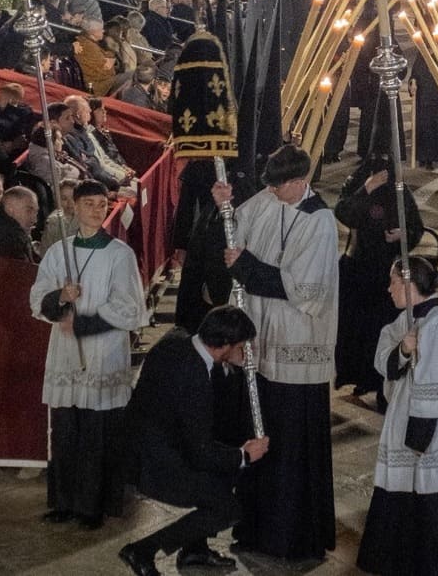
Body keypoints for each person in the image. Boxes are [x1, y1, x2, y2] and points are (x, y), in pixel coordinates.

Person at [213, 144, 338, 560]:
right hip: (262, 342)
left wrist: (246, 268)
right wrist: (224, 205)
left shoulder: (320, 221)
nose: (273, 193)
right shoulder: (269, 197)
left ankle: (292, 534)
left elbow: (308, 290)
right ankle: (256, 525)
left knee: (290, 447)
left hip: (296, 344)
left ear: (300, 182)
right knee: (260, 436)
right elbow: (236, 229)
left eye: (281, 187)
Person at [356, 256, 438, 575]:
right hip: (414, 433)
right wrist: (403, 349)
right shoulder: (412, 318)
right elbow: (383, 362)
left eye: (393, 282)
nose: (389, 289)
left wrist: (418, 442)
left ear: (409, 284)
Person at [118, 306, 270, 576]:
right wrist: (244, 455)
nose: (246, 352)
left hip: (143, 449)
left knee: (224, 473)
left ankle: (195, 550)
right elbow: (200, 452)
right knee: (229, 508)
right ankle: (143, 550)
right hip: (155, 467)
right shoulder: (195, 377)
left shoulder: (176, 342)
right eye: (242, 346)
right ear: (224, 345)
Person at [30, 179, 146, 530]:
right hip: (65, 352)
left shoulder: (119, 254)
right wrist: (61, 298)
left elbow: (130, 308)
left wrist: (84, 324)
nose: (96, 210)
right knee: (65, 429)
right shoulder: (58, 252)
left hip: (103, 350)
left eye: (101, 204)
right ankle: (64, 501)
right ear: (75, 207)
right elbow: (37, 298)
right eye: (89, 204)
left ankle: (93, 504)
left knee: (97, 431)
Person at [333, 155, 424, 406]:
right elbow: (344, 212)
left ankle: (383, 381)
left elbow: (416, 226)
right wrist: (366, 189)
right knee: (357, 330)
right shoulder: (358, 184)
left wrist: (403, 234)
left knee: (384, 330)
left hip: (387, 274)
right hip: (358, 270)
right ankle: (361, 376)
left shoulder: (400, 190)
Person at [40, 178, 80, 253]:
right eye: (64, 199)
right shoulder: (53, 221)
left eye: (73, 198)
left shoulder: (86, 218)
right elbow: (45, 249)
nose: (70, 203)